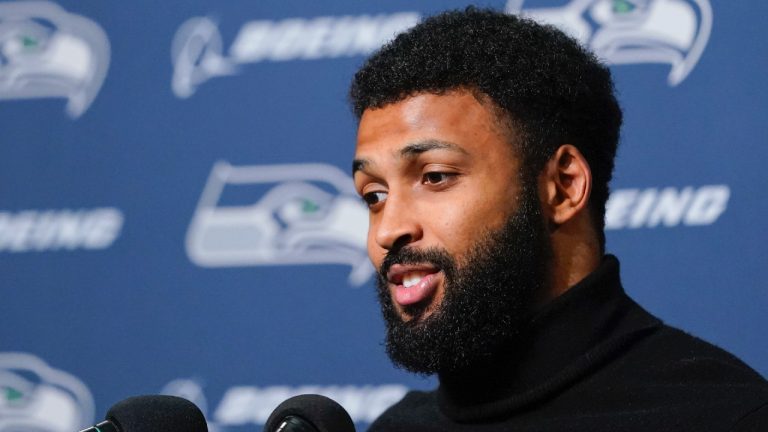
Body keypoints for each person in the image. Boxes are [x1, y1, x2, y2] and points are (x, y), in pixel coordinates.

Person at [348, 7, 768, 431]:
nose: (388, 230)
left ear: (563, 187)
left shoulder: (726, 417)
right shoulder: (396, 427)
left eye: (435, 177)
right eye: (375, 195)